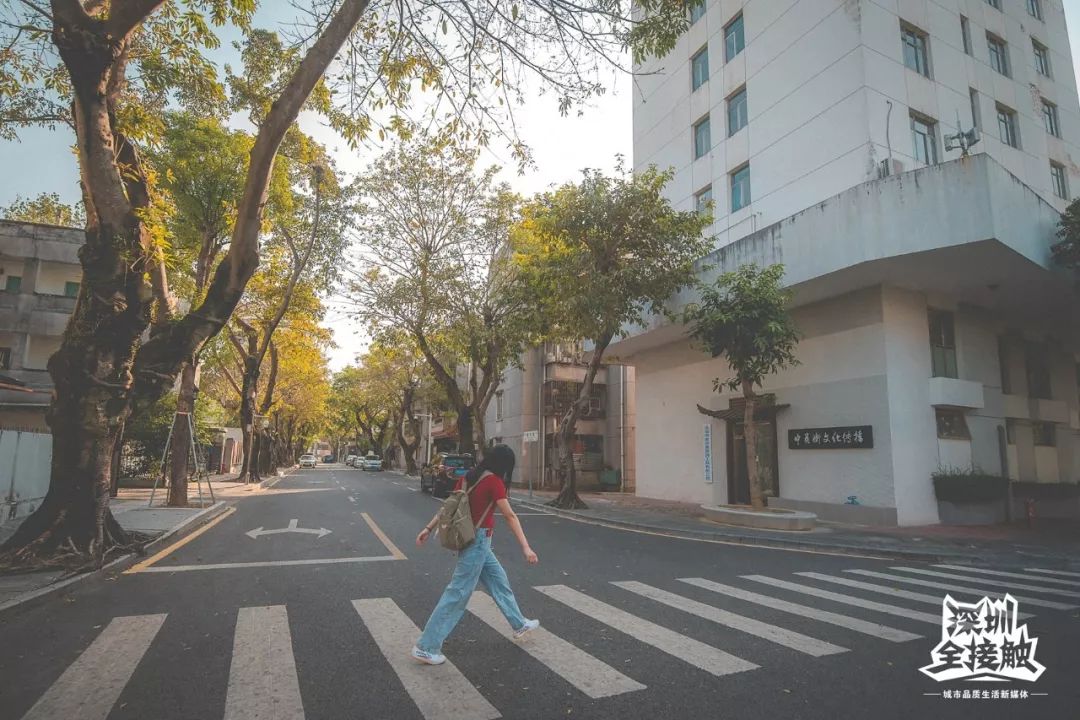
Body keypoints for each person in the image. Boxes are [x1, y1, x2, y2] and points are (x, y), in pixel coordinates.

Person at [412, 444, 539, 665]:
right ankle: (426, 646)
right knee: (458, 593)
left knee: (499, 581)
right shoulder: (494, 482)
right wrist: (526, 547)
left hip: (475, 540)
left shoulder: (469, 477)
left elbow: (449, 507)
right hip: (477, 541)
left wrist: (428, 528)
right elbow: (510, 516)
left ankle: (519, 623)